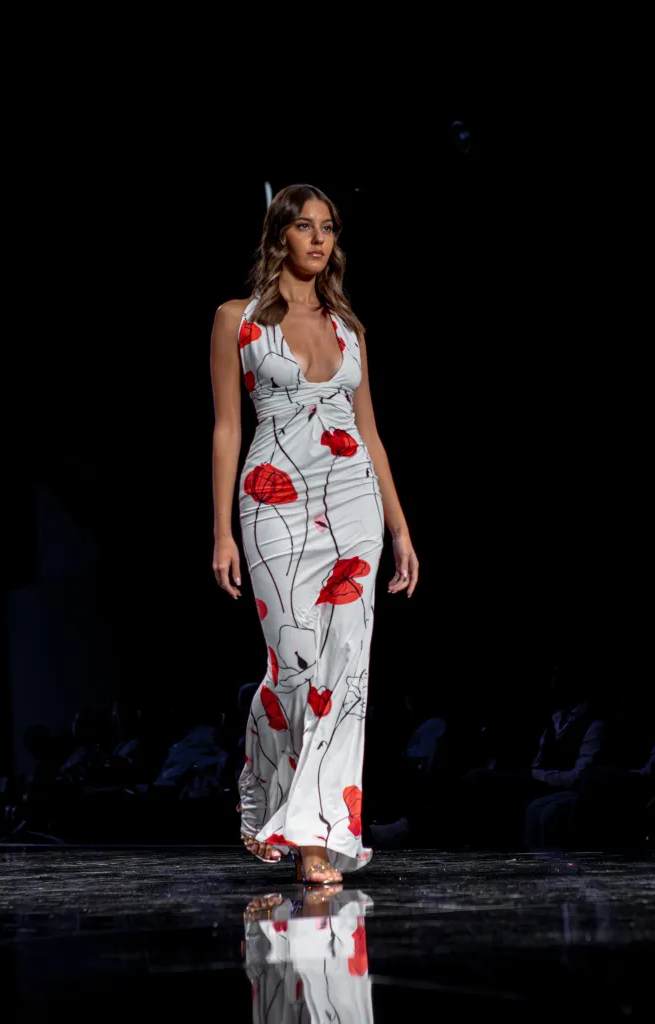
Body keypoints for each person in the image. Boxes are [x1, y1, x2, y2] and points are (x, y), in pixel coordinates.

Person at [209, 184, 419, 884]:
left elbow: (370, 433)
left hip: (352, 500)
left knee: (344, 671)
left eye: (328, 227)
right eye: (304, 226)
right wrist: (221, 532)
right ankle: (261, 781)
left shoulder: (348, 328)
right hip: (272, 501)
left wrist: (399, 528)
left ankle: (315, 838)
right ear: (279, 236)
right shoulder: (236, 320)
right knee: (295, 662)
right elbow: (226, 429)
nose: (319, 238)